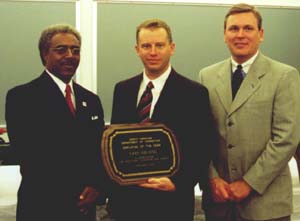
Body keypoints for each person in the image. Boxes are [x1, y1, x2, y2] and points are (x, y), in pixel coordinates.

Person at [107, 18, 216, 221]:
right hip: (126, 203)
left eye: (160, 45)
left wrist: (179, 182)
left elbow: (202, 145)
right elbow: (116, 143)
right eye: (146, 46)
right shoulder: (122, 90)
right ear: (137, 49)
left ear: (171, 48)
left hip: (170, 202)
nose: (153, 52)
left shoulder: (194, 93)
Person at [198, 3, 300, 221]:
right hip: (219, 202)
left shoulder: (284, 76)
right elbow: (200, 135)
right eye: (234, 29)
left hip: (266, 205)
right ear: (224, 35)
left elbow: (286, 139)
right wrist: (212, 179)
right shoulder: (206, 76)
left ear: (261, 34)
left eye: (248, 28)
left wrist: (249, 183)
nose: (240, 35)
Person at [5, 24, 106, 221]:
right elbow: (28, 154)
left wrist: (97, 187)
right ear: (44, 54)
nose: (70, 55)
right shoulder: (22, 97)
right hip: (42, 206)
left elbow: (98, 151)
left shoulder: (91, 100)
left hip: (85, 208)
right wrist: (76, 192)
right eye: (61, 50)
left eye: (75, 50)